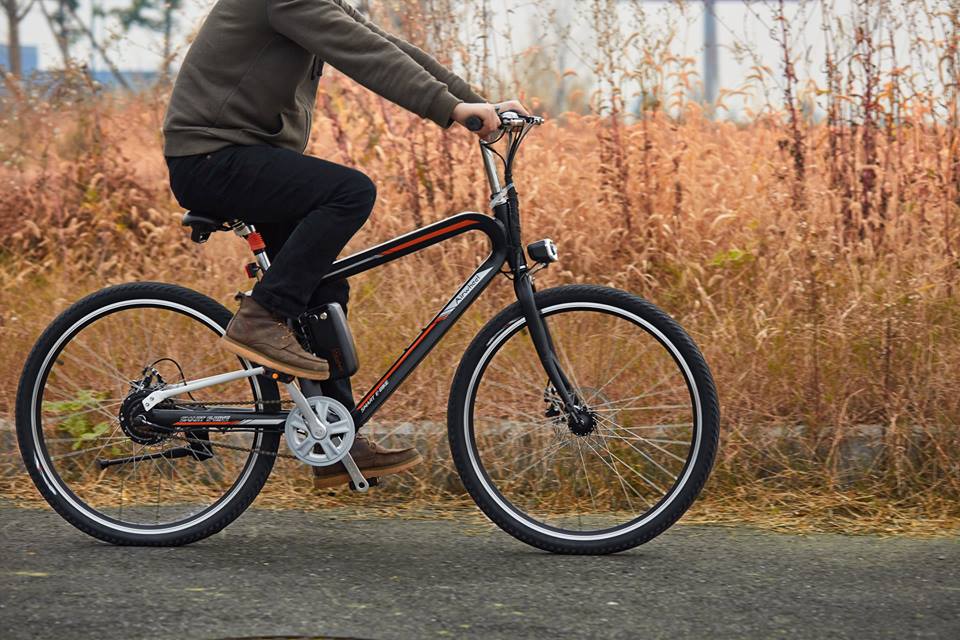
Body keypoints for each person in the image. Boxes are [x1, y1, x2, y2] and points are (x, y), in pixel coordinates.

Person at [162, 0, 527, 488]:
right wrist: (452, 109)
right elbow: (363, 55)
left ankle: (335, 439)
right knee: (350, 192)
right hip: (211, 157)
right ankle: (260, 317)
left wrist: (477, 104)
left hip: (240, 157)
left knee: (324, 286)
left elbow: (387, 45)